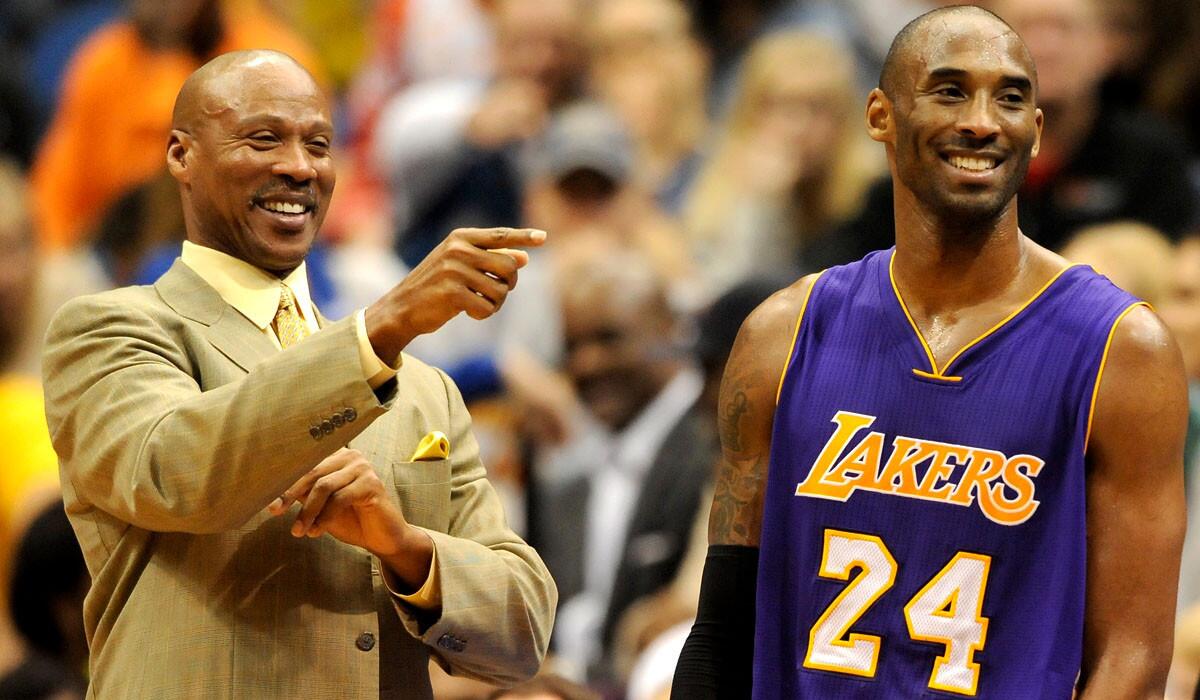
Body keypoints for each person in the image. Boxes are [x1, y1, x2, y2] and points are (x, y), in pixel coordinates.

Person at [671, 6, 1186, 698]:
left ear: (1034, 131)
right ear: (880, 115)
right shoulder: (781, 335)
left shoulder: (1122, 350)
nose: (981, 120)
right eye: (949, 90)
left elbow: (1133, 657)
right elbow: (724, 629)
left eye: (1010, 97)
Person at [40, 50, 556, 699]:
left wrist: (404, 548)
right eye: (264, 139)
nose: (299, 166)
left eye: (318, 144)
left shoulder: (427, 393)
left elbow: (522, 637)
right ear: (181, 155)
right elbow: (178, 471)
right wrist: (381, 328)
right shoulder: (110, 331)